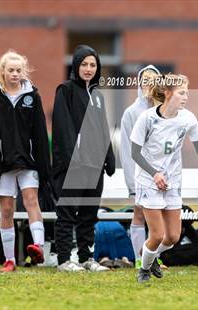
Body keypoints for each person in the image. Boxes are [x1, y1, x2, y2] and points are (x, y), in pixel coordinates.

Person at [130, 73, 198, 283]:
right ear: (168, 93)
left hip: (172, 183)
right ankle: (144, 269)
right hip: (148, 182)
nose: (186, 97)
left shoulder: (187, 118)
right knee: (157, 235)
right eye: (182, 93)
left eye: (187, 92)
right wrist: (154, 173)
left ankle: (150, 256)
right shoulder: (147, 118)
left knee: (172, 237)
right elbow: (135, 153)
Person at [0, 50, 50, 272]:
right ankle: (9, 260)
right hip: (2, 164)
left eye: (18, 70)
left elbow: (40, 132)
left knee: (32, 201)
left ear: (24, 72)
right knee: (7, 210)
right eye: (10, 70)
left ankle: (38, 247)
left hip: (27, 162)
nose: (14, 74)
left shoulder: (33, 96)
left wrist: (43, 165)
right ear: (3, 71)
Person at [52, 45, 115, 272]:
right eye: (84, 64)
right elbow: (62, 128)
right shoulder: (65, 90)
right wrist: (71, 160)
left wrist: (109, 156)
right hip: (74, 165)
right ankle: (63, 260)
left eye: (92, 65)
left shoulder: (97, 96)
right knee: (67, 212)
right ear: (76, 66)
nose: (88, 69)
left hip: (94, 165)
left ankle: (87, 258)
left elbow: (102, 129)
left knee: (89, 213)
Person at [120, 65, 160, 269]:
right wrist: (131, 181)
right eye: (145, 81)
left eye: (152, 81)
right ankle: (139, 258)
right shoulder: (131, 113)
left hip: (160, 176)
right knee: (139, 214)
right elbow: (127, 150)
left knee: (157, 218)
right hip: (139, 175)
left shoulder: (165, 111)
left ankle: (153, 258)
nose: (148, 85)